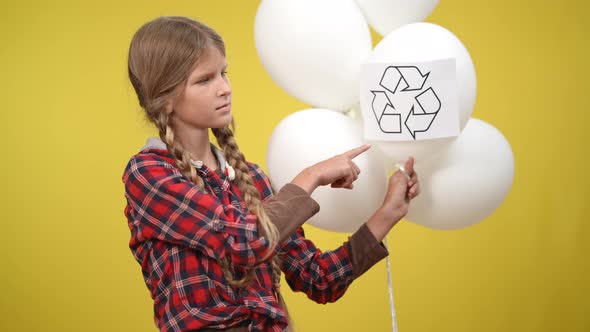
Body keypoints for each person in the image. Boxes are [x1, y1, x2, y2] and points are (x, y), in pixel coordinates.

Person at [122, 16, 420, 332]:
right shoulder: (149, 174)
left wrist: (388, 212)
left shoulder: (250, 178)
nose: (224, 89)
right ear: (165, 97)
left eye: (224, 73)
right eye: (204, 80)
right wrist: (312, 176)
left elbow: (319, 279)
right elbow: (244, 242)